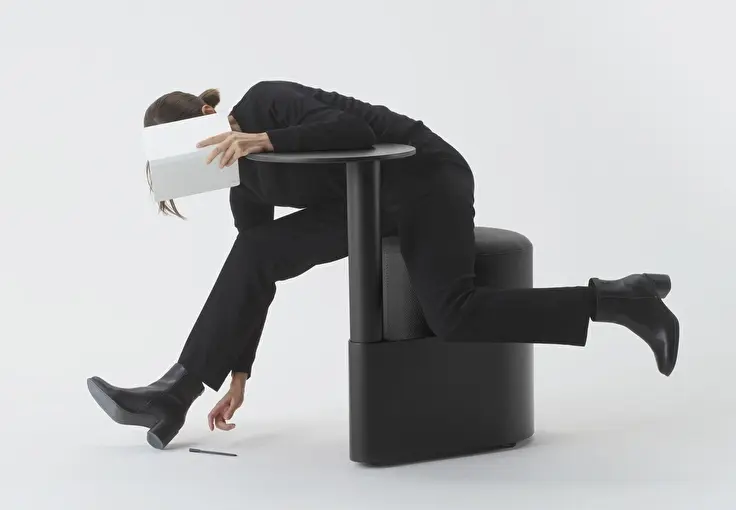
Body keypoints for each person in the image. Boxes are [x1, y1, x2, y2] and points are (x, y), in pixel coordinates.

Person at [87, 80, 680, 450]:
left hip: (423, 176)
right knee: (254, 251)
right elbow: (254, 279)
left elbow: (349, 130)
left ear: (209, 115)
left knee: (454, 315)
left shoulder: (266, 101)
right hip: (363, 203)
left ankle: (619, 299)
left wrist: (264, 138)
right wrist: (240, 371)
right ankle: (177, 392)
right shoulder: (241, 181)